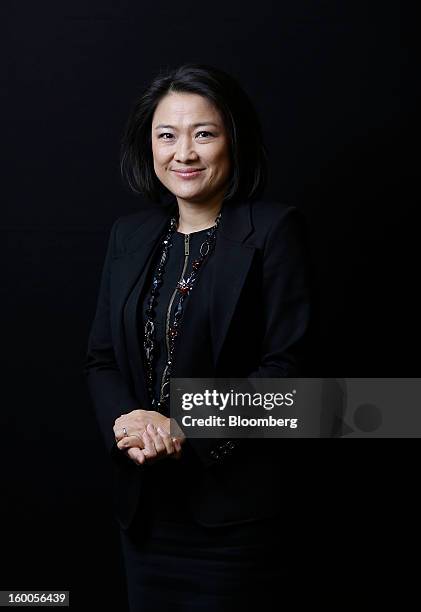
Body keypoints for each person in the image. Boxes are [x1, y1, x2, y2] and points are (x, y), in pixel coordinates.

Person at [84, 63, 312, 612]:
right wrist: (128, 421)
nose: (183, 152)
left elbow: (291, 374)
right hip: (145, 517)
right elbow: (102, 359)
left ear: (234, 140)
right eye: (167, 135)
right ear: (150, 146)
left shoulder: (276, 231)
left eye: (203, 134)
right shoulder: (129, 235)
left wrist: (184, 424)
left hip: (235, 521)